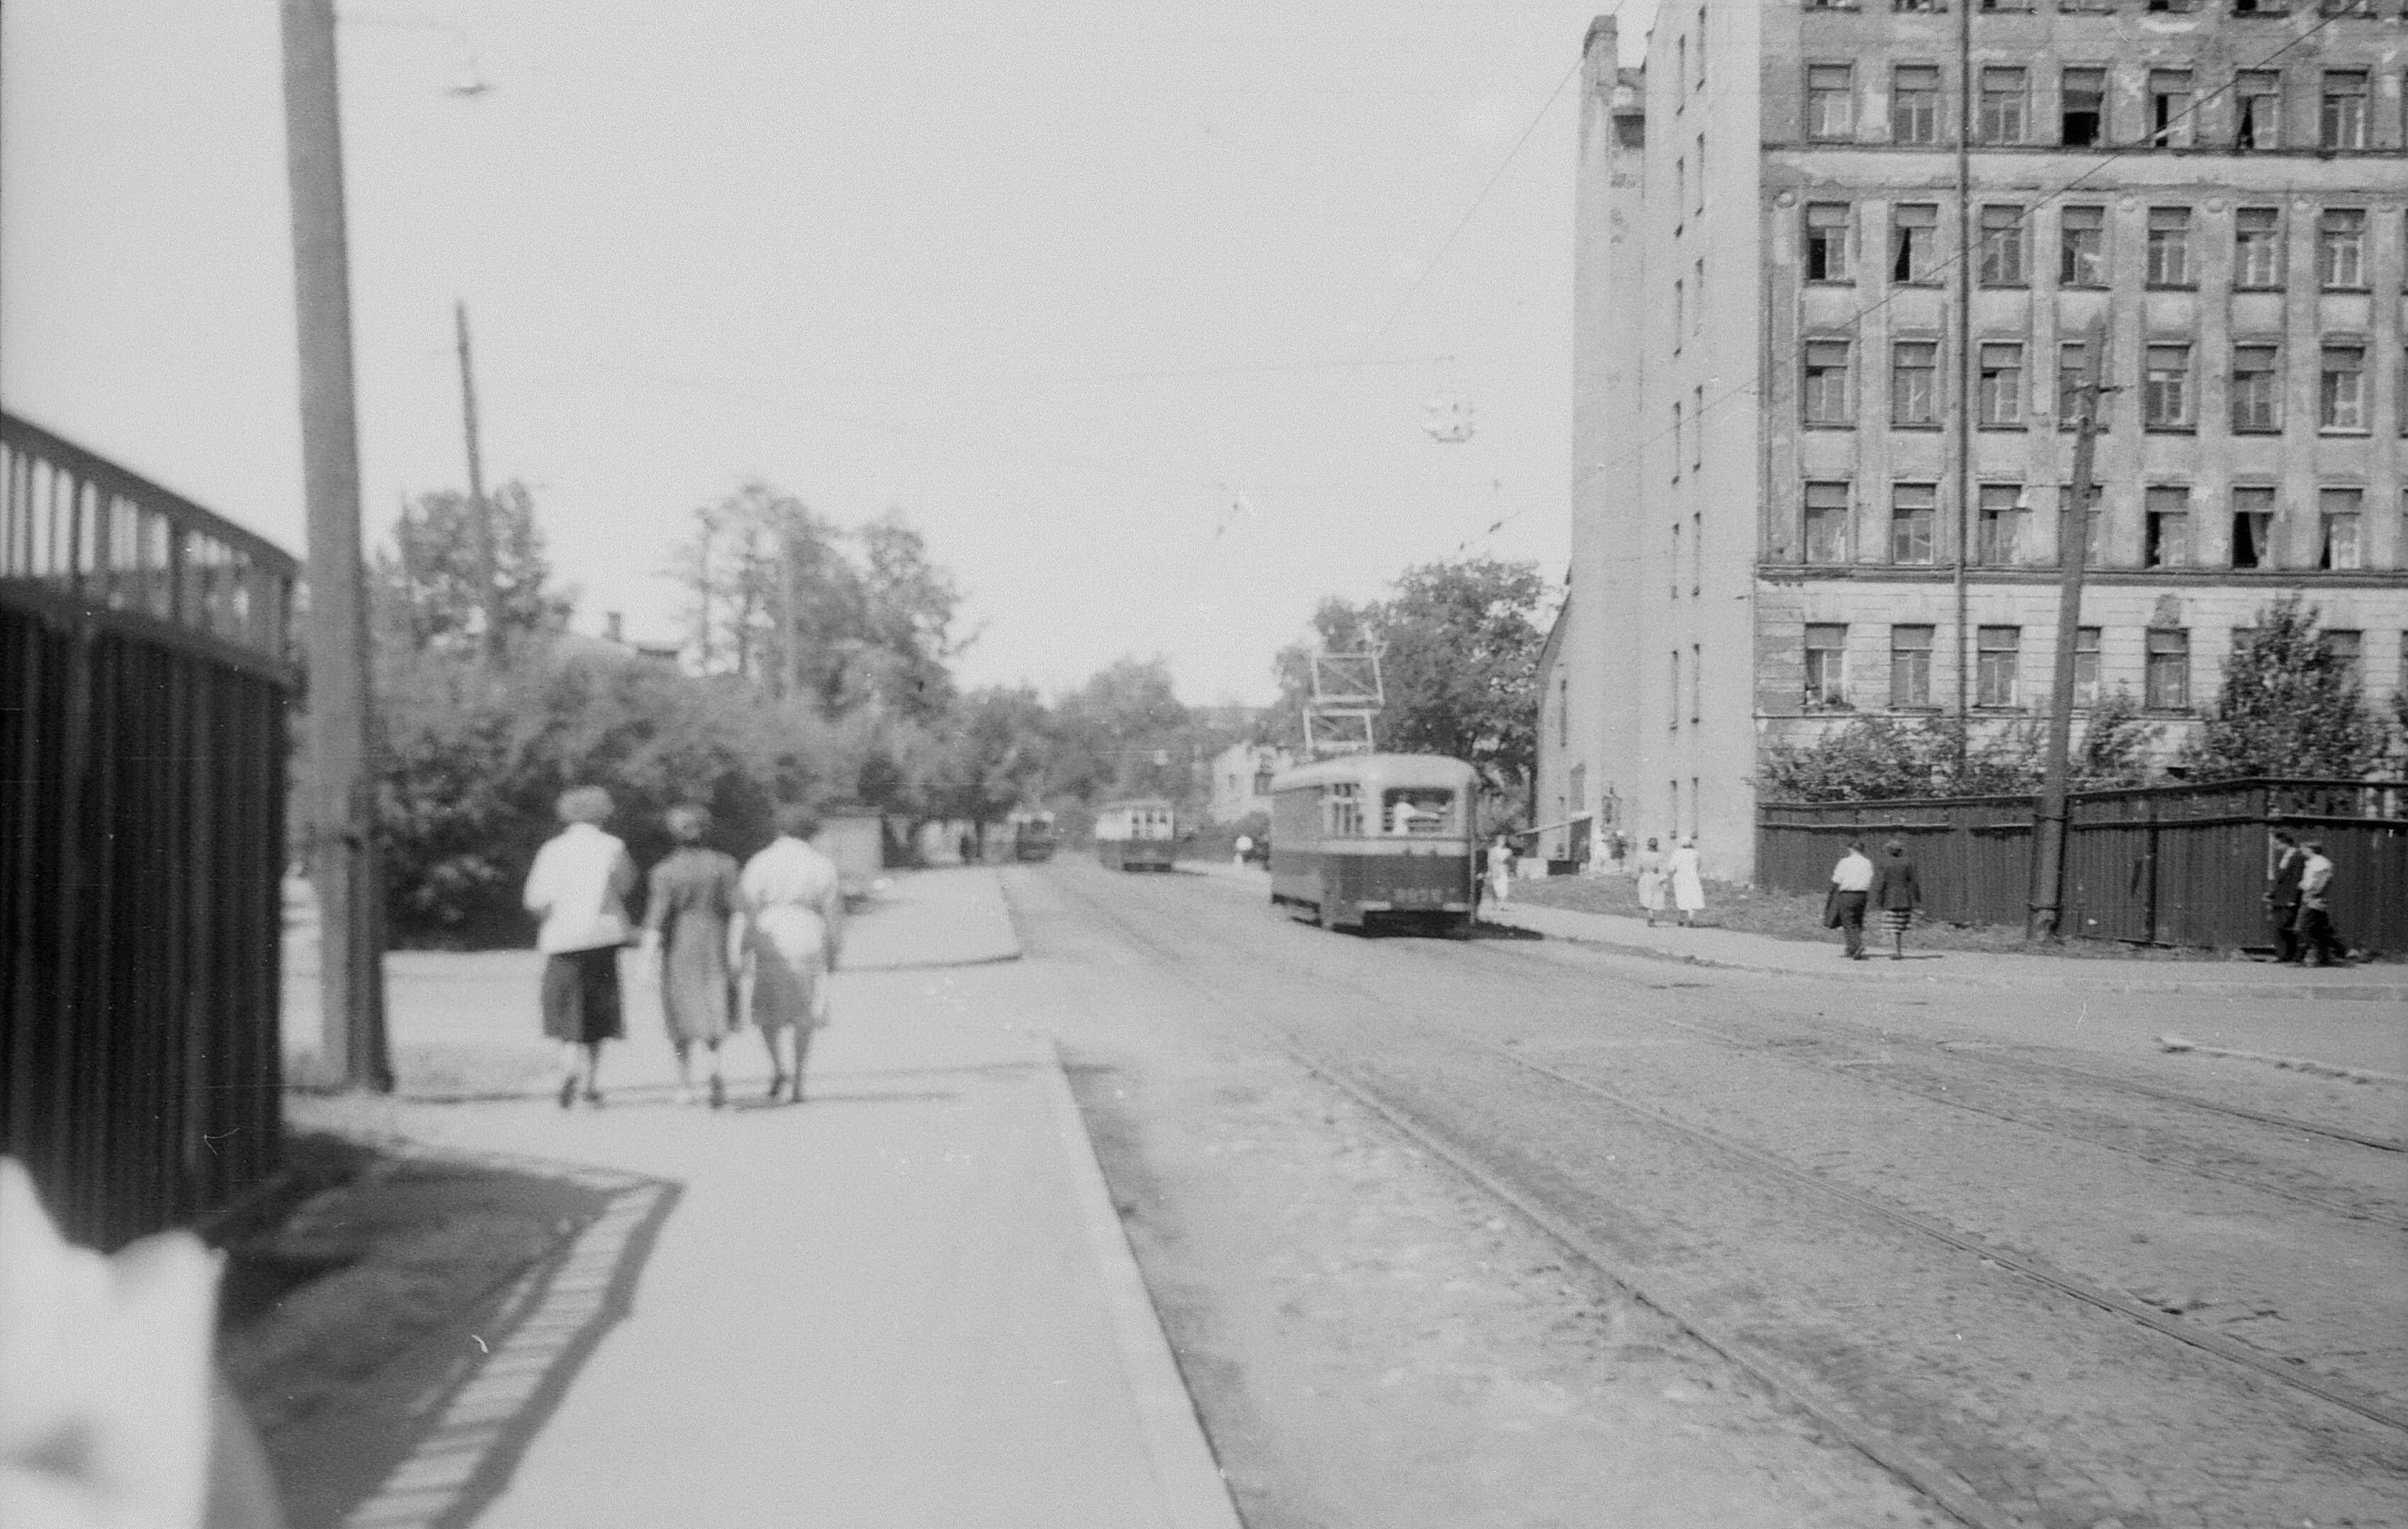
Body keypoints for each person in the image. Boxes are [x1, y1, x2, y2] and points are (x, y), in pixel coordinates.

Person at [523, 786, 638, 1109]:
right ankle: (591, 1083)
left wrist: (554, 917)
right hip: (601, 936)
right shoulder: (613, 846)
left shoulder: (552, 849)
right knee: (599, 1010)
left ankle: (569, 1066)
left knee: (565, 1007)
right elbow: (626, 884)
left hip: (562, 938)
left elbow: (534, 899)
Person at [740, 803, 846, 1103]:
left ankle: (778, 1067)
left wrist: (745, 945)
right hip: (808, 932)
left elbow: (748, 905)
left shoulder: (760, 861)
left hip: (771, 932)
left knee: (767, 1007)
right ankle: (799, 1079)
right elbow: (832, 911)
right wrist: (835, 949)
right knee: (805, 1010)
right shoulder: (821, 864)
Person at [641, 804, 741, 1108]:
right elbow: (738, 910)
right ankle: (714, 1068)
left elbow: (656, 919)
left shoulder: (665, 871)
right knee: (713, 1005)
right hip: (714, 939)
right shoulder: (725, 865)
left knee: (680, 1013)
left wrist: (645, 961)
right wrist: (737, 951)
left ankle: (684, 1085)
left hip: (680, 944)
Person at [2296, 839, 2348, 967]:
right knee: (2321, 929)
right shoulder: (2315, 862)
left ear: (2311, 850)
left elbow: (2319, 883)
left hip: (2312, 900)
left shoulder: (2320, 863)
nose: (2302, 851)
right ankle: (2331, 955)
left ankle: (2308, 957)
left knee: (2304, 928)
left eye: (2304, 848)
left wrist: (2309, 890)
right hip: (2313, 899)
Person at [1870, 837, 1922, 961]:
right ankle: (1898, 950)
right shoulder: (1907, 863)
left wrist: (1878, 898)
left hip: (1890, 898)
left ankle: (1896, 951)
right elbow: (1913, 882)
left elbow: (1881, 882)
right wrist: (1917, 897)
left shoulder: (1885, 863)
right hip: (1904, 898)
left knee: (1893, 926)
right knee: (1899, 926)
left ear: (1888, 851)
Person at [1825, 838, 1874, 959]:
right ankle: (1851, 948)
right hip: (1862, 895)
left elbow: (1837, 879)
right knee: (1857, 921)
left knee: (1848, 921)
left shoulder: (1845, 862)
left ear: (1851, 849)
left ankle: (1857, 945)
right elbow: (1870, 878)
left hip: (1848, 894)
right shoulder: (1867, 863)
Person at [2265, 829, 2306, 964]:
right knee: (2279, 927)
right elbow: (2281, 880)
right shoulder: (2285, 857)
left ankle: (2295, 954)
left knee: (2286, 926)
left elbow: (2296, 879)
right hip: (2280, 898)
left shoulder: (2297, 856)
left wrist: (2293, 899)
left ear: (2285, 843)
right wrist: (2272, 894)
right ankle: (2282, 955)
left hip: (2288, 899)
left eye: (2278, 844)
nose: (2276, 847)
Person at [1668, 836, 1705, 927]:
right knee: (1693, 898)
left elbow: (1671, 867)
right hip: (1693, 877)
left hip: (1680, 877)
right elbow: (1699, 866)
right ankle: (1691, 920)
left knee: (1682, 898)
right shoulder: (1696, 853)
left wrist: (1671, 876)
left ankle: (1682, 919)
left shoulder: (1677, 853)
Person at [1634, 837, 1667, 926]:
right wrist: (1663, 878)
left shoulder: (1643, 855)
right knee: (1652, 897)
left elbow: (1639, 867)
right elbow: (1663, 868)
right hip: (1653, 877)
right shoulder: (1659, 855)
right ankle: (1651, 916)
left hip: (1648, 877)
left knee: (1650, 897)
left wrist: (1637, 877)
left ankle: (1651, 916)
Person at [1486, 834, 1516, 908]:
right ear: (1497, 841)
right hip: (1495, 870)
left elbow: (1511, 862)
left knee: (1504, 887)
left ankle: (1504, 905)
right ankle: (1495, 904)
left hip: (1504, 870)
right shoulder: (1493, 850)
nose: (1502, 842)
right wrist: (1489, 871)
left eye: (1503, 840)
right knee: (1495, 887)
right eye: (1500, 840)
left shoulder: (1508, 851)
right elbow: (1490, 861)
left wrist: (1511, 871)